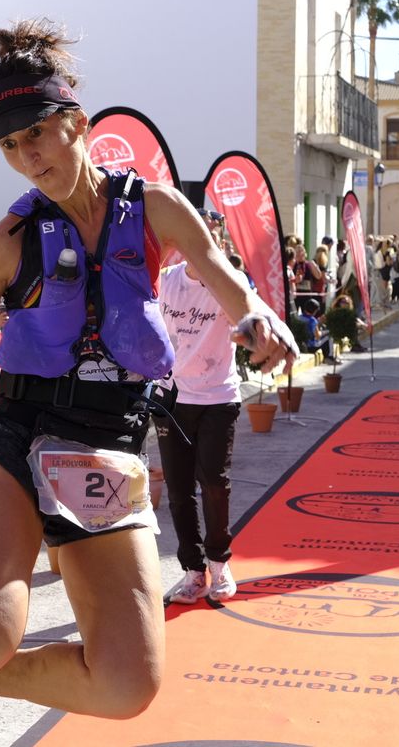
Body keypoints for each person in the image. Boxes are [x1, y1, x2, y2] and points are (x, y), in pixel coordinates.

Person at [0, 20, 296, 746]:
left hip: (107, 454)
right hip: (17, 442)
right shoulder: (10, 242)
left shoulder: (151, 208)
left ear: (76, 124)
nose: (27, 159)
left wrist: (259, 319)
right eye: (12, 147)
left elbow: (220, 270)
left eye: (38, 137)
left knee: (127, 681)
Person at [153, 220, 245, 604]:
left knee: (213, 482)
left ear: (218, 243)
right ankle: (193, 572)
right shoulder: (167, 280)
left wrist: (251, 334)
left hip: (218, 398)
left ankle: (220, 565)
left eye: (211, 236)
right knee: (177, 492)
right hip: (172, 397)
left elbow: (248, 321)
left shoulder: (231, 282)